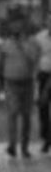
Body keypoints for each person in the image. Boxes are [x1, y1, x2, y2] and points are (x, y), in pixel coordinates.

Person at [0, 14, 41, 158]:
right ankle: (12, 145)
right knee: (13, 114)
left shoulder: (32, 43)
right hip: (10, 83)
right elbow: (0, 63)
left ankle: (24, 147)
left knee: (27, 116)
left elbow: (35, 60)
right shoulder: (5, 44)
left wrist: (23, 46)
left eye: (19, 26)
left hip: (27, 83)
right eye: (14, 26)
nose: (17, 29)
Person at [36, 13, 51, 152]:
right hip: (43, 75)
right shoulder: (40, 38)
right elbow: (35, 57)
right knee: (43, 107)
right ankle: (46, 138)